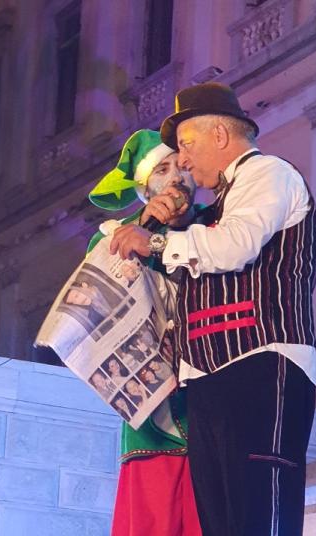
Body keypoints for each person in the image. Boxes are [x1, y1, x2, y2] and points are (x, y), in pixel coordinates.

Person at [110, 82, 316, 536]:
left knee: (259, 516)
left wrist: (156, 241)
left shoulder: (268, 173)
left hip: (261, 365)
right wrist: (152, 226)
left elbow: (234, 246)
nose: (183, 161)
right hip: (206, 379)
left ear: (220, 135)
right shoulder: (217, 206)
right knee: (220, 523)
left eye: (186, 145)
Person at [88, 129, 202, 536]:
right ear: (144, 188)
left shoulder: (216, 225)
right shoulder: (118, 235)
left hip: (210, 400)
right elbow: (95, 296)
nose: (176, 178)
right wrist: (145, 226)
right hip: (152, 415)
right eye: (162, 170)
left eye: (182, 166)